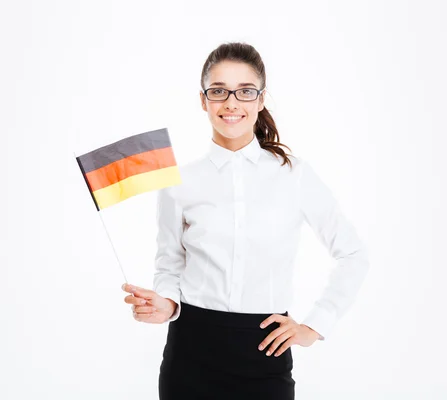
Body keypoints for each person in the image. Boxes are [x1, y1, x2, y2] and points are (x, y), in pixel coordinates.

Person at [121, 41, 370, 399]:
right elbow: (170, 264)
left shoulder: (293, 175)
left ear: (261, 99)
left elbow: (353, 254)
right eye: (219, 91)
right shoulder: (179, 182)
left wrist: (314, 325)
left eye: (245, 91)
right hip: (191, 355)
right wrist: (167, 303)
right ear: (204, 100)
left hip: (265, 354)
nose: (231, 103)